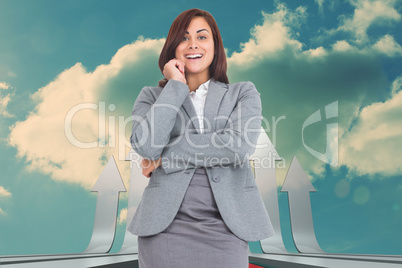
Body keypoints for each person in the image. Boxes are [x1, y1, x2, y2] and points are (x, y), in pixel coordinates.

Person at [127, 8, 274, 268]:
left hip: (227, 225)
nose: (193, 44)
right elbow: (147, 146)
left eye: (202, 37)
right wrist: (175, 87)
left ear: (215, 47)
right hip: (164, 229)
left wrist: (167, 157)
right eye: (184, 38)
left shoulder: (242, 93)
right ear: (173, 48)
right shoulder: (151, 96)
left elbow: (237, 147)